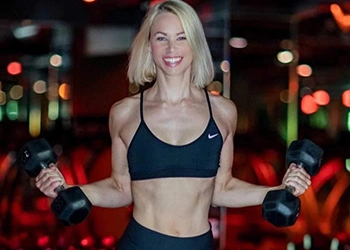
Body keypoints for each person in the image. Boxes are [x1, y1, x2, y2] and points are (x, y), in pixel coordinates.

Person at [35, 1, 311, 249]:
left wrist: (277, 191)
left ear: (195, 44)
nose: (171, 49)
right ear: (149, 45)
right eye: (161, 38)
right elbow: (121, 188)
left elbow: (221, 188)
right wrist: (69, 188)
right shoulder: (125, 113)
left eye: (181, 38)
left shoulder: (223, 111)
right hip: (141, 243)